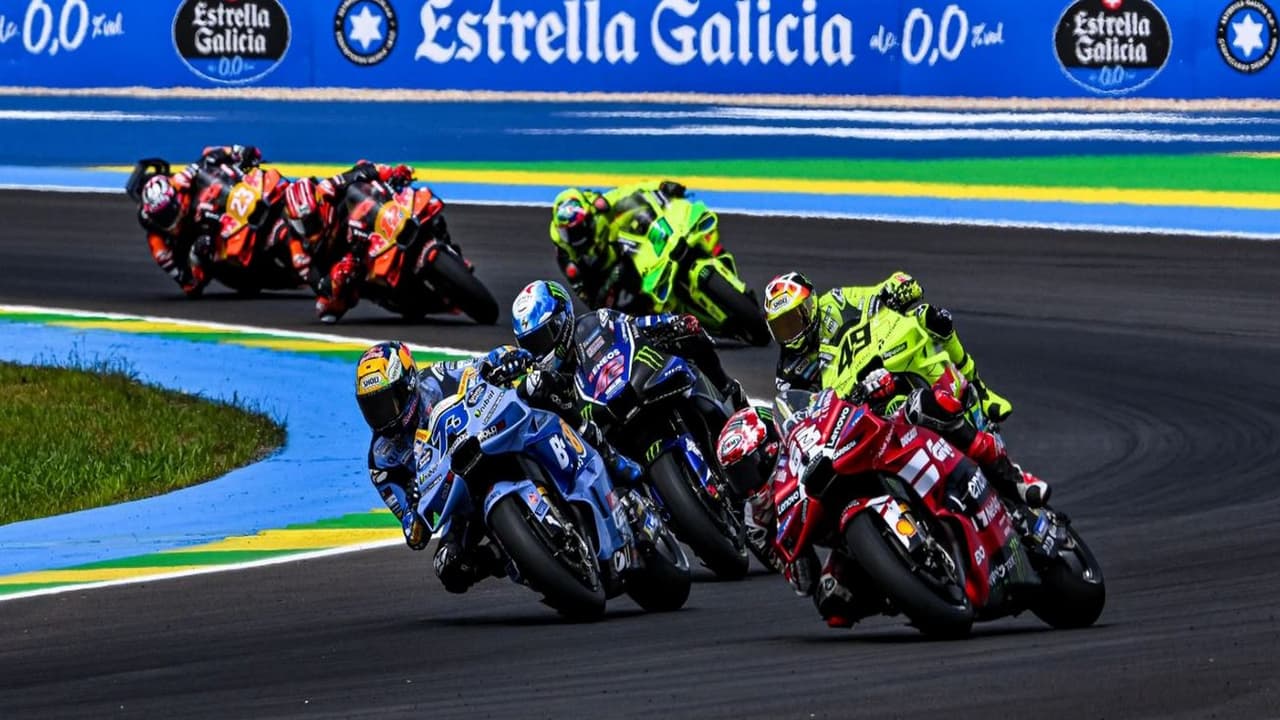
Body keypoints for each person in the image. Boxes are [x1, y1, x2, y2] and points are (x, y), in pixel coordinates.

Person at [718, 368, 1049, 628]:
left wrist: (870, 387)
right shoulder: (757, 519)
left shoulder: (799, 432)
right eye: (738, 476)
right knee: (832, 601)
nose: (747, 482)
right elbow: (803, 580)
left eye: (748, 468)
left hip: (872, 455)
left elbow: (832, 402)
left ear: (769, 447)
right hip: (849, 544)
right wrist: (790, 556)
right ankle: (908, 590)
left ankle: (1014, 480)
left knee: (928, 406)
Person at [353, 340, 644, 594]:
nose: (381, 416)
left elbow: (481, 363)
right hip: (458, 495)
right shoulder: (382, 460)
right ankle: (521, 557)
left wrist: (505, 359)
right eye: (371, 407)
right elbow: (413, 533)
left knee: (539, 393)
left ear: (408, 387)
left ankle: (608, 458)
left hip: (489, 439)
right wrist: (414, 510)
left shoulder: (436, 378)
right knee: (449, 567)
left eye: (385, 403)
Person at [763, 270, 1013, 423]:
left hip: (880, 364)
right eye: (781, 327)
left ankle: (978, 390)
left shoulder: (835, 303)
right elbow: (801, 416)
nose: (790, 333)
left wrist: (900, 288)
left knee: (931, 317)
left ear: (810, 306)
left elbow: (878, 291)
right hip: (852, 412)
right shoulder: (788, 373)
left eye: (793, 320)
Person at [507, 279, 748, 420]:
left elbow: (634, 325)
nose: (540, 350)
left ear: (562, 320)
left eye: (542, 338)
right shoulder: (540, 379)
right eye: (532, 344)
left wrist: (670, 323)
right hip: (604, 430)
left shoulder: (597, 322)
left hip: (636, 389)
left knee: (690, 362)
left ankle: (729, 396)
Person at [284, 161, 418, 323]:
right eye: (301, 224)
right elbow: (318, 284)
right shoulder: (299, 249)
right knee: (326, 311)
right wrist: (336, 277)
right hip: (350, 265)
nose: (307, 230)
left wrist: (391, 173)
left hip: (371, 226)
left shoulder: (329, 187)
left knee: (407, 196)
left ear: (321, 206)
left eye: (310, 221)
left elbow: (364, 169)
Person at [136, 144, 262, 296]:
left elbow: (208, 155)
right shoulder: (159, 245)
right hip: (209, 248)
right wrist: (195, 256)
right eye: (161, 216)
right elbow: (189, 285)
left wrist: (238, 152)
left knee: (220, 161)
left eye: (168, 212)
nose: (167, 218)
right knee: (203, 252)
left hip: (226, 207)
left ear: (175, 198)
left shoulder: (179, 181)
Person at [548, 180, 689, 310]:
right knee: (638, 309)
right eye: (568, 232)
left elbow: (628, 192)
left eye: (578, 230)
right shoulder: (568, 259)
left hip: (631, 248)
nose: (574, 237)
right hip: (614, 281)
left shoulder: (598, 206)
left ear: (589, 218)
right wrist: (613, 278)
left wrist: (661, 186)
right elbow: (593, 303)